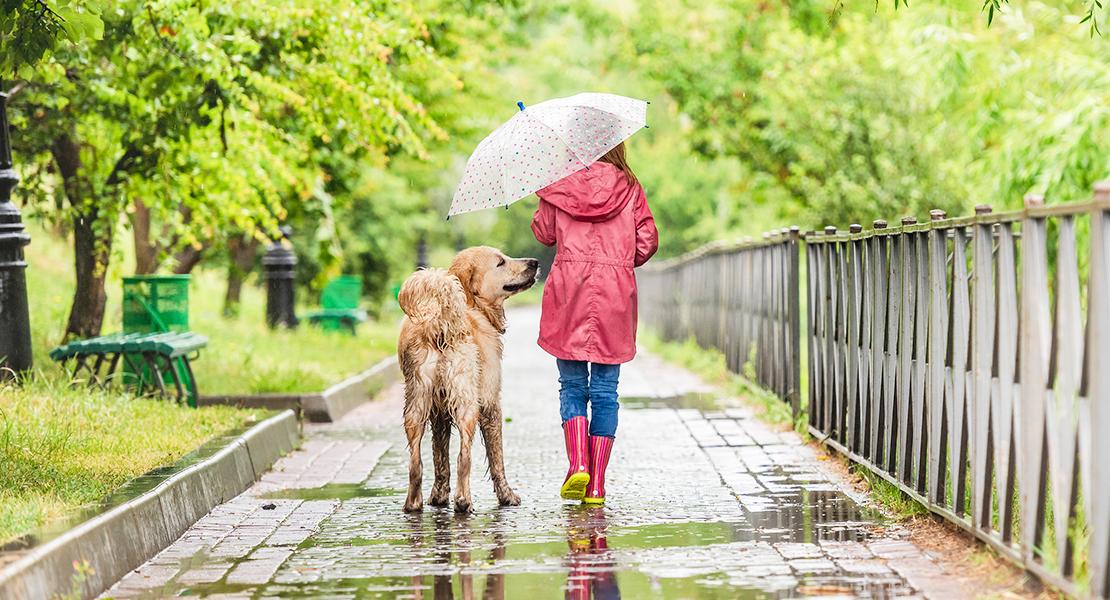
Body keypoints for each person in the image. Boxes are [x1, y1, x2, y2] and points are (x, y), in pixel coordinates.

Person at [531, 141, 659, 505]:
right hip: (615, 293)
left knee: (571, 385)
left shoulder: (558, 183)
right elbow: (647, 242)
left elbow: (544, 234)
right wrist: (619, 258)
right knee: (605, 391)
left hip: (569, 289)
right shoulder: (630, 186)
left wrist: (547, 199)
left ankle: (577, 465)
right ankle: (597, 485)